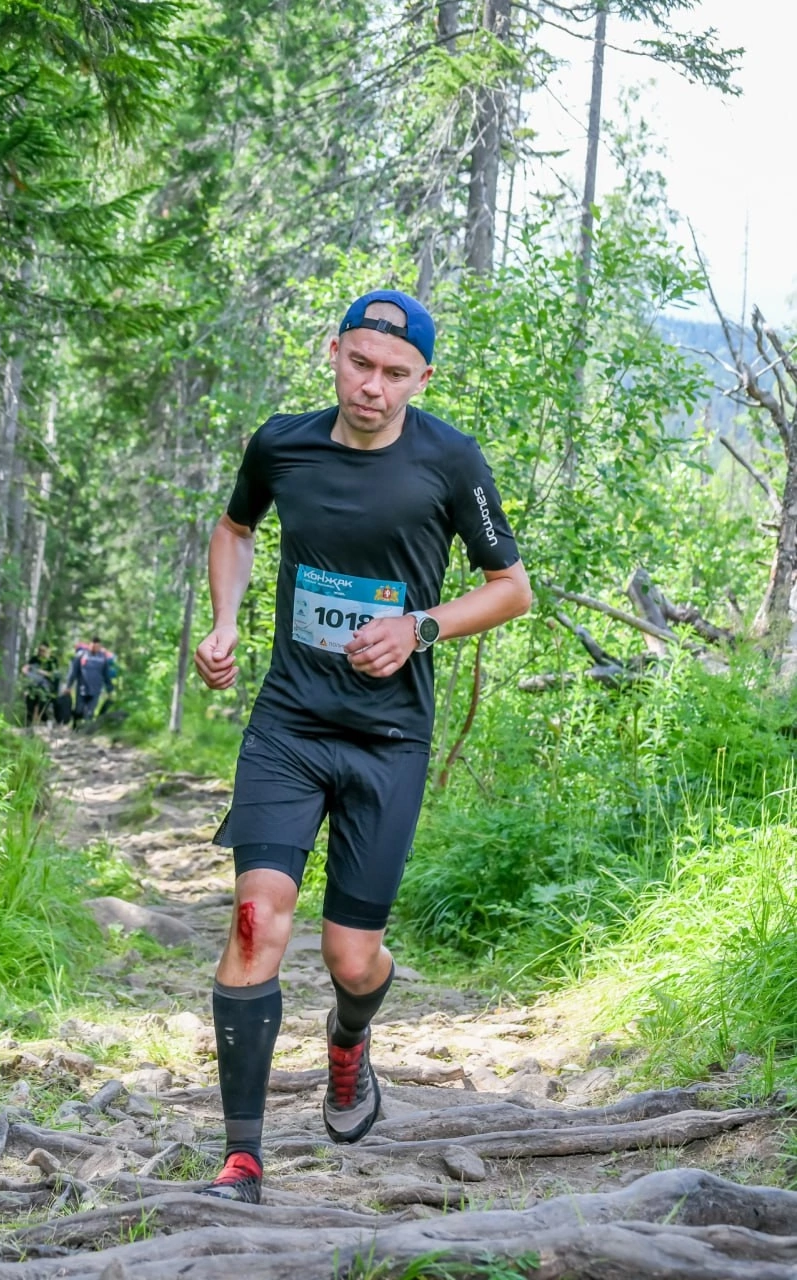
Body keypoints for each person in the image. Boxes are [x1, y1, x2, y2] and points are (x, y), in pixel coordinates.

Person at [193, 288, 532, 1204]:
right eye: (359, 364)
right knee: (256, 921)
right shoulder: (281, 445)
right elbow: (234, 529)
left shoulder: (449, 460)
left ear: (423, 378)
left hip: (388, 739)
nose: (372, 387)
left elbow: (510, 588)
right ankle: (242, 1160)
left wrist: (420, 627)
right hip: (289, 726)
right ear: (334, 353)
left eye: (394, 373)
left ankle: (349, 1040)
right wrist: (225, 622)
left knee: (352, 958)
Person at [63, 635, 114, 728]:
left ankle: (86, 730)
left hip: (96, 689)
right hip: (82, 688)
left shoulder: (103, 658)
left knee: (90, 712)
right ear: (89, 645)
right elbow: (73, 672)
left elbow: (106, 675)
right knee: (79, 710)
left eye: (97, 646)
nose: (95, 648)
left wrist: (110, 689)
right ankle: (75, 726)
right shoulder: (81, 656)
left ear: (100, 646)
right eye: (93, 646)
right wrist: (68, 686)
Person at [21, 642, 59, 726]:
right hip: (33, 686)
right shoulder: (34, 659)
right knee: (30, 703)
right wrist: (26, 671)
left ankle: (45, 723)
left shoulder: (52, 660)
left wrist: (41, 672)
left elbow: (54, 675)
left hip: (46, 687)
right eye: (40, 650)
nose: (41, 652)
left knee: (44, 705)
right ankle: (29, 725)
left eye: (43, 650)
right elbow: (26, 668)